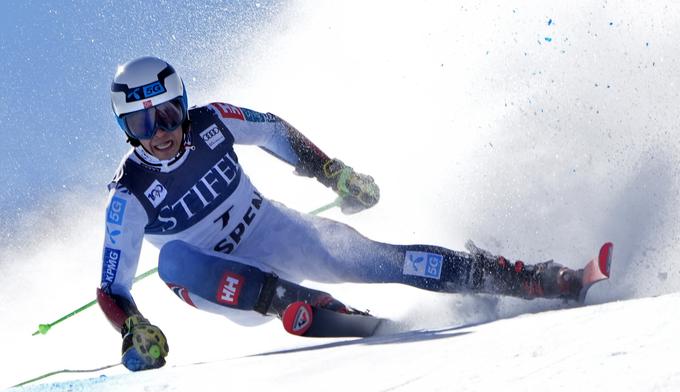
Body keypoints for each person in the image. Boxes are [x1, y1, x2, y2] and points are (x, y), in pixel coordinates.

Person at [98, 56, 583, 372]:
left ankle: (524, 278)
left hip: (272, 229)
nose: (158, 131)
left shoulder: (213, 121)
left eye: (165, 114)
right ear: (126, 128)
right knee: (173, 262)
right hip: (229, 288)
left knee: (380, 259)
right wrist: (133, 329)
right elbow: (111, 289)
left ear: (182, 105)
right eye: (141, 123)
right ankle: (292, 299)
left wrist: (332, 172)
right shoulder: (128, 196)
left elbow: (272, 132)